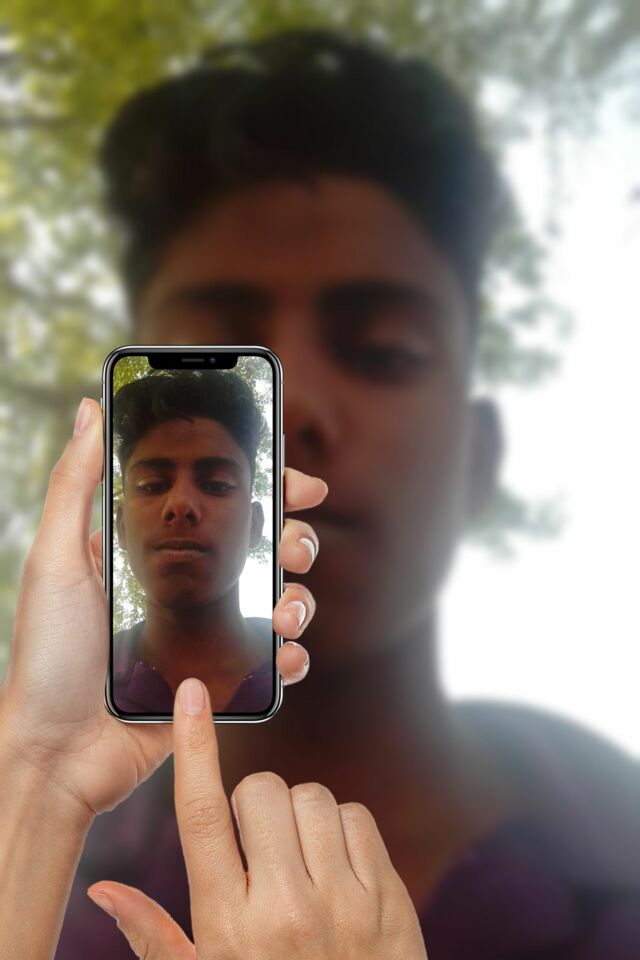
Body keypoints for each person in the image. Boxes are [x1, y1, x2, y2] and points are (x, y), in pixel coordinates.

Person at [5, 26, 640, 959]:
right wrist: (38, 776)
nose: (293, 404)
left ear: (478, 458)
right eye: (219, 361)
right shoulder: (44, 871)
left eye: (381, 351)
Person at [112, 369, 275, 714]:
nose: (181, 505)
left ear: (256, 525)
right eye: (153, 485)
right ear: (121, 526)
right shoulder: (79, 680)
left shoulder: (314, 671)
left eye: (217, 484)